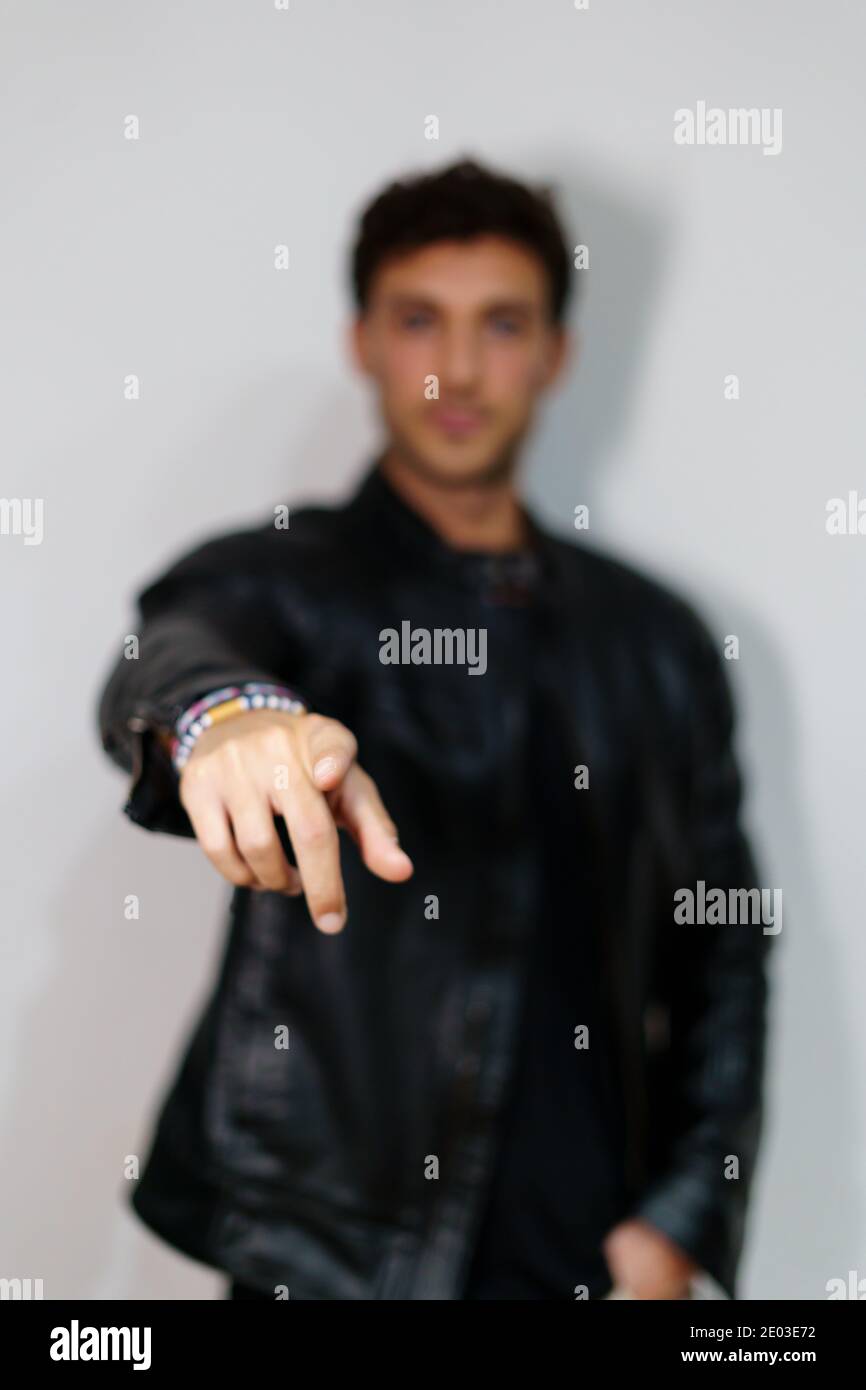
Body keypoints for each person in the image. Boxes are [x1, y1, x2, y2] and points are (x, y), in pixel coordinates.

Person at [96, 157, 774, 1301]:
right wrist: (226, 716)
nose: (457, 368)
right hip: (323, 1255)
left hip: (584, 1256)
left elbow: (722, 947)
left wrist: (680, 1219)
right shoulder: (278, 578)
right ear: (362, 340)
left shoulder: (653, 641)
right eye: (420, 320)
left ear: (554, 353)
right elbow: (166, 657)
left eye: (501, 324)